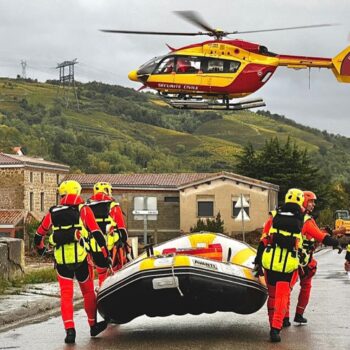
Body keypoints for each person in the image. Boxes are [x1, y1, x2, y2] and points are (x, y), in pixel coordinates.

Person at [34, 180, 109, 344]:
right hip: (81, 258)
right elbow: (96, 232)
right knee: (88, 292)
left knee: (66, 296)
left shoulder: (53, 212)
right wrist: (105, 253)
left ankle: (70, 331)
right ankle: (93, 325)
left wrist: (40, 249)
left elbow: (39, 235)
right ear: (76, 192)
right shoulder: (83, 209)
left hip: (61, 260)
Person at [283, 191, 344, 326]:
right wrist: (335, 243)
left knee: (287, 288)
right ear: (303, 201)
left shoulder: (291, 217)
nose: (313, 205)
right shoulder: (306, 220)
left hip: (290, 257)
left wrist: (333, 233)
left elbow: (316, 234)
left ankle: (285, 317)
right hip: (302, 260)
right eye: (311, 202)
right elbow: (320, 236)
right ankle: (298, 315)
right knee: (304, 286)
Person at [255, 188, 305, 342]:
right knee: (282, 297)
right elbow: (301, 245)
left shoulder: (274, 217)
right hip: (288, 264)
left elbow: (264, 241)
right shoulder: (302, 219)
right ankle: (276, 329)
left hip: (271, 262)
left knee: (272, 296)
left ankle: (272, 324)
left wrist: (258, 261)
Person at [86, 181, 130, 286]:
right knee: (116, 273)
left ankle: (102, 290)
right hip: (112, 247)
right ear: (107, 191)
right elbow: (122, 229)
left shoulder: (86, 207)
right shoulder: (113, 206)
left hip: (94, 246)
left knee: (101, 273)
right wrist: (124, 242)